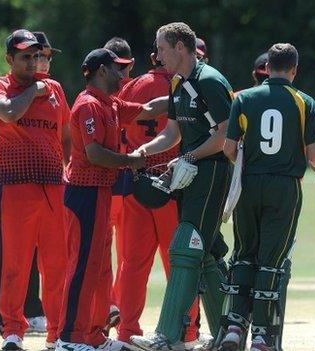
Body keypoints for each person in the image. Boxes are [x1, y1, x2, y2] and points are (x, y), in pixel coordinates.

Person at [218, 43, 315, 351]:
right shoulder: (304, 101)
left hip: (249, 184)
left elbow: (229, 148)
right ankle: (263, 334)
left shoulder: (243, 98)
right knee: (271, 259)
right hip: (284, 187)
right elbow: (314, 153)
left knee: (244, 252)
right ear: (294, 69)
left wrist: (247, 165)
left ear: (266, 67)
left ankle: (234, 324)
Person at [55, 48, 169, 351]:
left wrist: (186, 97)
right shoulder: (89, 105)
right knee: (82, 267)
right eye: (117, 69)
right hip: (84, 195)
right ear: (102, 71)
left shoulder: (111, 104)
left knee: (100, 269)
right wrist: (130, 160)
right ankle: (68, 337)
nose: (123, 74)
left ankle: (92, 334)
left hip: (100, 194)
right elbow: (94, 155)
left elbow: (149, 108)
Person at [129, 22, 232, 350]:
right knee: (209, 253)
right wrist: (145, 150)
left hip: (212, 172)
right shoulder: (177, 83)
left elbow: (227, 135)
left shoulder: (210, 81)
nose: (157, 55)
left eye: (161, 48)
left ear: (180, 47)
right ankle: (228, 334)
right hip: (190, 172)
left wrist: (189, 155)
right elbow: (172, 132)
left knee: (185, 247)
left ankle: (166, 336)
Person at [0, 29, 71, 350]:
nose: (33, 62)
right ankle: (13, 331)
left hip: (53, 187)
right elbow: (8, 112)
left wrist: (68, 168)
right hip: (15, 188)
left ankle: (57, 333)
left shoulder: (56, 89)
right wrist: (33, 91)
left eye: (36, 56)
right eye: (25, 56)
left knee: (57, 264)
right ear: (9, 59)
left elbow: (66, 134)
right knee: (15, 263)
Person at [115, 40, 206, 349]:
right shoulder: (188, 85)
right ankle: (187, 331)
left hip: (136, 181)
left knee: (132, 263)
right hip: (175, 184)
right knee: (181, 261)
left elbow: (119, 128)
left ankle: (127, 332)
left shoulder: (134, 85)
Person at [101, 36, 136, 336]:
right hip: (123, 180)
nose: (119, 74)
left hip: (114, 180)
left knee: (112, 253)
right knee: (125, 255)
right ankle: (116, 309)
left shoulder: (102, 92)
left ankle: (112, 307)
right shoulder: (136, 87)